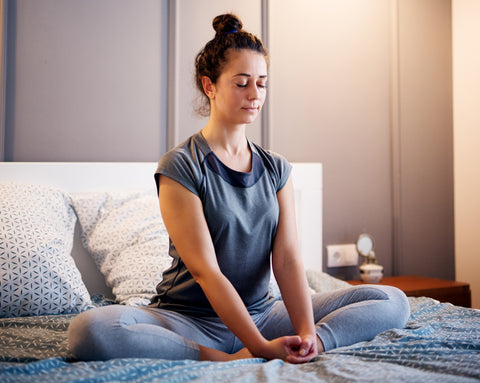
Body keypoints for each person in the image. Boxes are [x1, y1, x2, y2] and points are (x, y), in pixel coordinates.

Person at [68, 13, 410, 364]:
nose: (255, 94)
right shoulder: (181, 165)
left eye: (261, 83)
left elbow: (289, 259)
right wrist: (260, 348)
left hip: (265, 314)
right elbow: (205, 271)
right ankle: (222, 358)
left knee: (392, 301)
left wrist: (309, 335)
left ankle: (306, 348)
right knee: (89, 330)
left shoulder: (277, 168)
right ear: (210, 86)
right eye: (242, 82)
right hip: (190, 320)